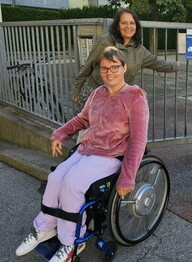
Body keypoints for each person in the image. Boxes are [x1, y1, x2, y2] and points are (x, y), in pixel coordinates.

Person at [15, 46, 149, 262]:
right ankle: (45, 228)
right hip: (86, 149)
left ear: (124, 67)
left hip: (109, 155)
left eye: (114, 67)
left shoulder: (135, 97)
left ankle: (71, 242)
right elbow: (81, 120)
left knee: (71, 184)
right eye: (104, 68)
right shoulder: (98, 93)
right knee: (55, 177)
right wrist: (59, 133)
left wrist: (128, 176)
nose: (109, 72)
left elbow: (138, 140)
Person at [72, 8, 180, 115]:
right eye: (124, 23)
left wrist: (175, 66)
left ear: (136, 26)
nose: (128, 26)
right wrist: (76, 89)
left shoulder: (140, 50)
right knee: (85, 129)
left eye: (132, 23)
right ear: (118, 26)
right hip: (93, 92)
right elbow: (88, 66)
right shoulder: (105, 42)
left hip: (117, 98)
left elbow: (157, 62)